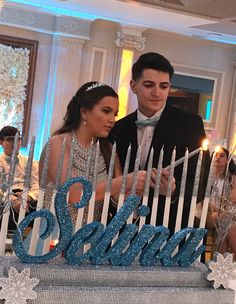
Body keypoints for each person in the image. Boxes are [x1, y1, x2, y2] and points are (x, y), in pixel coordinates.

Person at [110, 52, 208, 234]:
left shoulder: (190, 124)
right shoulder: (117, 129)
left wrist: (172, 191)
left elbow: (201, 182)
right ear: (133, 86)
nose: (157, 93)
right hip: (123, 232)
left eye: (163, 86)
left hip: (171, 231)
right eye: (148, 85)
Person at [40, 81, 156, 225]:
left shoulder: (108, 150)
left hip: (92, 240)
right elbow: (73, 193)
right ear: (84, 112)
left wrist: (137, 190)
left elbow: (118, 201)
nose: (112, 120)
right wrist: (125, 180)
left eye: (115, 114)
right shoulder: (58, 144)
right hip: (52, 238)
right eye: (106, 111)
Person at [0, 126, 39, 232]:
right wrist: (11, 199)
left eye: (18, 139)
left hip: (26, 197)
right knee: (7, 210)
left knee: (41, 212)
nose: (14, 143)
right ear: (1, 142)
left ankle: (29, 245)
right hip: (4, 197)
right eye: (10, 140)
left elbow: (37, 185)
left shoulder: (31, 162)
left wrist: (28, 197)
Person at [206, 147, 236, 257]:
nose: (217, 157)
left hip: (225, 214)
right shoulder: (207, 177)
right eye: (215, 154)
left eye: (222, 155)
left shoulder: (230, 179)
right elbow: (203, 201)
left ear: (228, 160)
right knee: (226, 220)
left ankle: (220, 261)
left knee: (226, 225)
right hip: (206, 213)